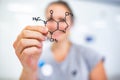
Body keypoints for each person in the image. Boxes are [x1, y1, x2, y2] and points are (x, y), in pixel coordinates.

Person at [13, 1, 107, 80]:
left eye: (62, 20)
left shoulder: (90, 55)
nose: (55, 25)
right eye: (50, 19)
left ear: (72, 24)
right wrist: (28, 69)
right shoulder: (37, 57)